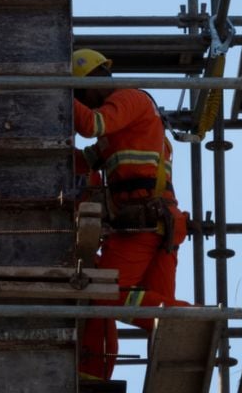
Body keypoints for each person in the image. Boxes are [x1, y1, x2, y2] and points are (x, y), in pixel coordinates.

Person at [71, 48, 190, 383]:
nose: (84, 101)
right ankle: (183, 336)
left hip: (145, 221)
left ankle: (193, 319)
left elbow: (91, 125)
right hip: (158, 223)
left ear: (94, 82)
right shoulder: (122, 124)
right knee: (156, 316)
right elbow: (87, 159)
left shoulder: (128, 99)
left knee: (104, 292)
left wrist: (54, 94)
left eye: (80, 93)